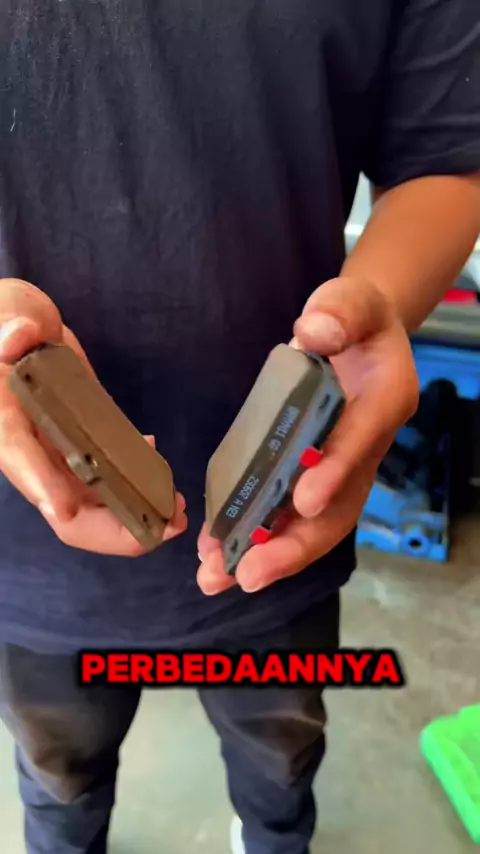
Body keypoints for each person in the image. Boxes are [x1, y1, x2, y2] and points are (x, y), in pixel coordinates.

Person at [0, 1, 479, 852]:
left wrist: (377, 307)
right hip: (28, 546)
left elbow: (444, 157)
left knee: (279, 766)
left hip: (285, 510)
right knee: (59, 786)